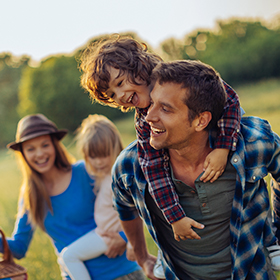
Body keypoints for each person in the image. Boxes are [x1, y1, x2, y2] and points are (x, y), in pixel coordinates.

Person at [79, 36, 241, 278]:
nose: (120, 95)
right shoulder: (144, 123)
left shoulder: (180, 78)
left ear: (139, 66)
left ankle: (269, 239)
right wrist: (174, 217)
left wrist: (223, 147)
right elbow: (153, 170)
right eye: (112, 94)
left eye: (121, 82)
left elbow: (229, 99)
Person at [111, 60, 280, 279]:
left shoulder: (253, 143)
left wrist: (277, 234)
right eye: (151, 103)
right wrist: (142, 257)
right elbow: (124, 207)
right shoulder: (130, 166)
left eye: (165, 108)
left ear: (201, 121)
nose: (149, 117)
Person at [0, 113, 143, 280]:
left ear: (55, 145)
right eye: (30, 149)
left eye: (45, 145)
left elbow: (131, 204)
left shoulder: (85, 172)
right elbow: (18, 248)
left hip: (121, 273)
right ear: (23, 154)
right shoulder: (30, 197)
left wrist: (125, 238)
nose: (39, 154)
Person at [59, 114, 144, 280]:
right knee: (65, 258)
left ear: (114, 148)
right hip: (102, 232)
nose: (98, 162)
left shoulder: (117, 177)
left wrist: (131, 242)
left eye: (104, 155)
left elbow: (137, 207)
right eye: (93, 156)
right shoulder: (103, 174)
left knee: (68, 257)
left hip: (110, 235)